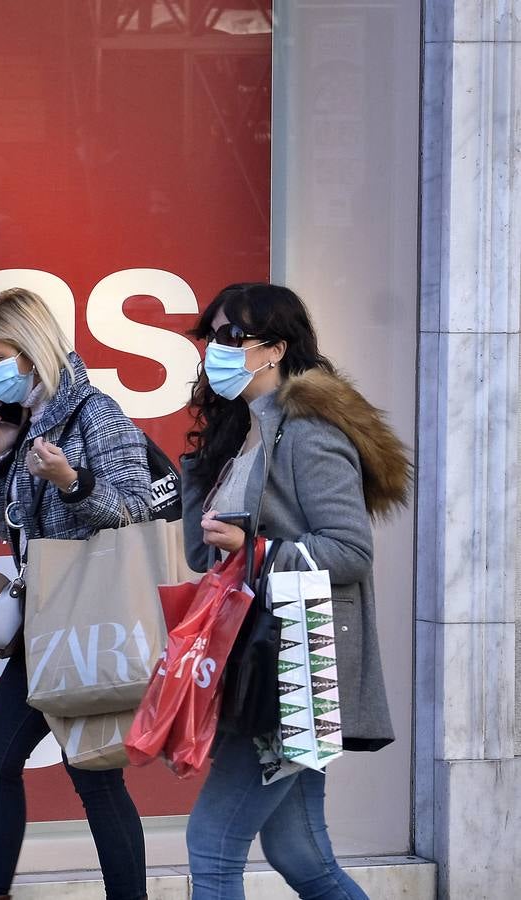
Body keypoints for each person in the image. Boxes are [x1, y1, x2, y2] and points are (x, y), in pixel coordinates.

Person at [179, 282, 410, 899]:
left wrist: (259, 551)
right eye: (211, 338)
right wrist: (201, 470)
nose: (215, 352)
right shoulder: (241, 434)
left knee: (213, 842)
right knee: (299, 853)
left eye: (231, 338)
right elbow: (203, 555)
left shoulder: (310, 432)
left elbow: (351, 551)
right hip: (259, 665)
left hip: (296, 669)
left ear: (273, 349)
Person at [0, 287, 153, 900]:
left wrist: (71, 480)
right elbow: (11, 525)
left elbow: (132, 509)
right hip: (47, 620)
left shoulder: (96, 413)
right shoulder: (33, 421)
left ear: (31, 348)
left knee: (94, 775)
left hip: (88, 618)